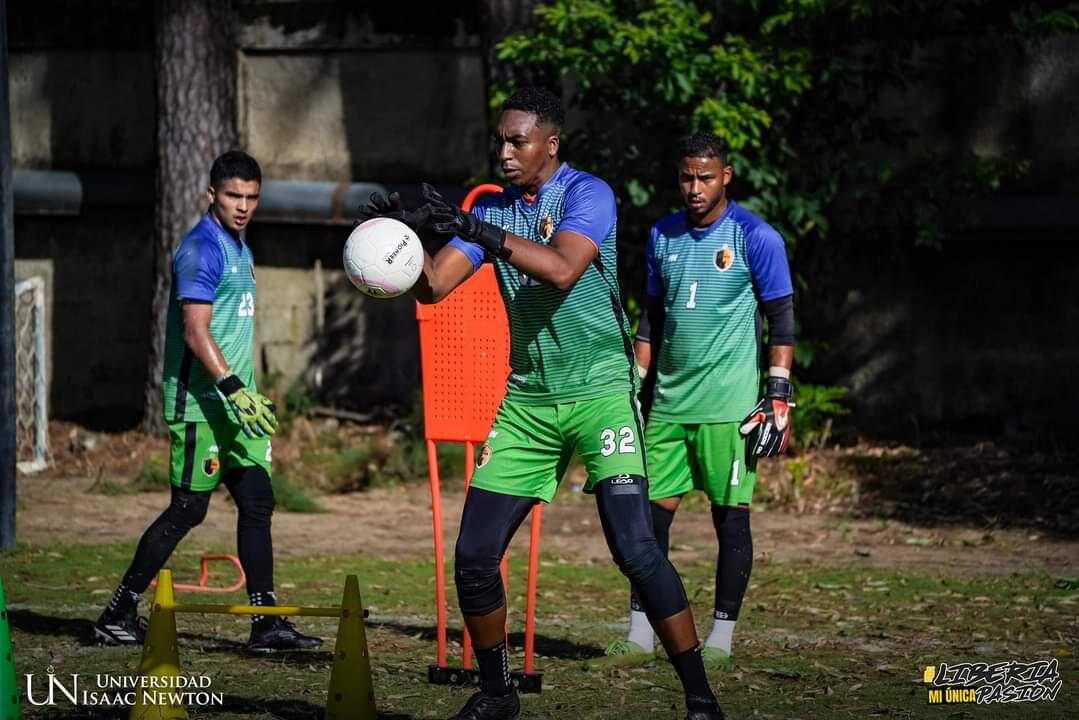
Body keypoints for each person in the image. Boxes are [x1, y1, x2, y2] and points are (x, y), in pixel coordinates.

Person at [359, 87, 724, 720]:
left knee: (636, 551)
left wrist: (479, 227)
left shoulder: (588, 195)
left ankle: (700, 698)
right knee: (473, 557)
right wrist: (401, 243)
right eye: (499, 140)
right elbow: (434, 288)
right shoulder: (498, 208)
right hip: (527, 403)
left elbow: (561, 269)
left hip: (603, 396)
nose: (503, 151)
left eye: (516, 141)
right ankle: (499, 693)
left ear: (550, 145)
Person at [94, 150, 322, 653]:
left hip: (235, 404)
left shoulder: (240, 246)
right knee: (188, 510)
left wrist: (246, 392)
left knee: (258, 501)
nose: (243, 206)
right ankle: (117, 611)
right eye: (233, 196)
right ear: (210, 195)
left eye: (251, 197)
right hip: (201, 403)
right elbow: (196, 334)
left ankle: (265, 623)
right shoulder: (201, 247)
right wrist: (234, 388)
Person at [597, 132, 795, 671]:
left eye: (705, 177)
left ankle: (722, 639)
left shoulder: (756, 236)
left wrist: (777, 388)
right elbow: (651, 319)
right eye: (687, 177)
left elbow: (782, 319)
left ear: (725, 175)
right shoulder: (663, 234)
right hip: (667, 409)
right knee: (645, 526)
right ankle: (640, 635)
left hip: (728, 411)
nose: (695, 187)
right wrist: (632, 385)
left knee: (730, 523)